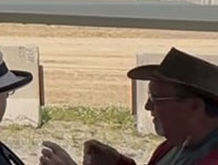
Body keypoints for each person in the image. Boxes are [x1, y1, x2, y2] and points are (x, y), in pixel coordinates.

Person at [39, 47, 218, 165]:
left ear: (195, 106)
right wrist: (117, 162)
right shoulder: (174, 145)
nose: (148, 106)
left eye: (156, 98)